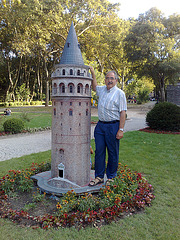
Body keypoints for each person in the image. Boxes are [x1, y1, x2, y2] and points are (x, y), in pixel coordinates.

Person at [89, 66, 127, 186]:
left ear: (116, 80)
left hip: (113, 126)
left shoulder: (120, 94)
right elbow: (94, 87)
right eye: (107, 78)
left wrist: (120, 130)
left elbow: (123, 112)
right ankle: (99, 177)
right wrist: (93, 73)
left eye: (112, 78)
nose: (109, 80)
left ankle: (111, 177)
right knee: (99, 151)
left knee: (112, 152)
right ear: (105, 80)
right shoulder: (102, 90)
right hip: (100, 126)